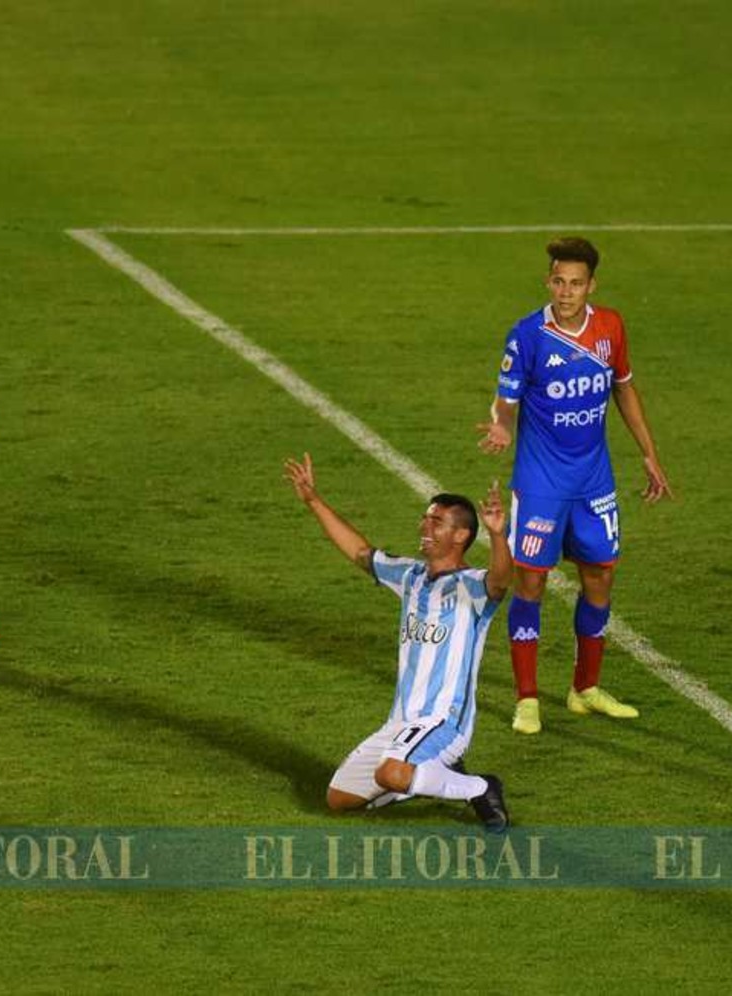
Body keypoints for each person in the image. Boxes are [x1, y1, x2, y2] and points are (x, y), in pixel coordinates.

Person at [475, 236, 673, 736]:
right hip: (541, 483)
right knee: (532, 582)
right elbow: (505, 399)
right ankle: (526, 698)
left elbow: (623, 388)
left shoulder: (610, 327)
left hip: (593, 479)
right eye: (559, 282)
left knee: (600, 576)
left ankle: (585, 688)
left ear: (591, 286)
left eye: (576, 283)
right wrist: (500, 423)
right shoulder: (528, 336)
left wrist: (648, 452)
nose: (566, 292)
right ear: (549, 282)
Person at [284, 453, 513, 831]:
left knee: (392, 774)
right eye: (425, 517)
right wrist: (313, 500)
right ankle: (431, 772)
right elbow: (361, 553)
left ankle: (479, 787)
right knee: (338, 799)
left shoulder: (472, 587)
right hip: (400, 723)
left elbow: (503, 580)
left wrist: (498, 535)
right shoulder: (410, 575)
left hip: (443, 722)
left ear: (460, 535)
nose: (424, 524)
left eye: (436, 521)